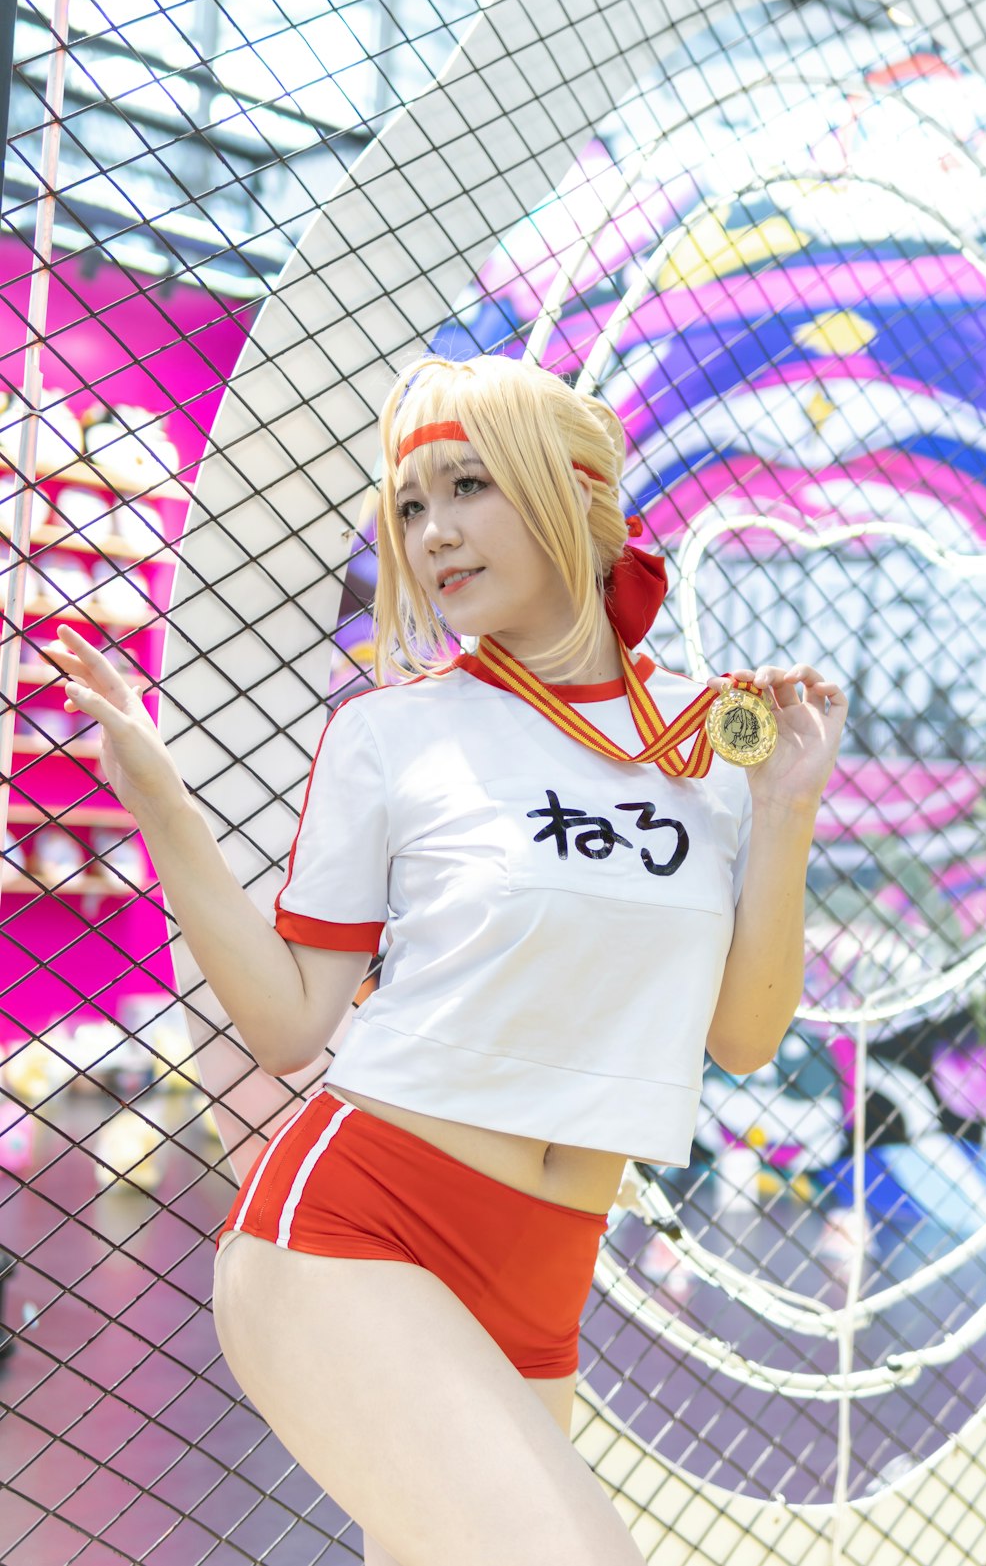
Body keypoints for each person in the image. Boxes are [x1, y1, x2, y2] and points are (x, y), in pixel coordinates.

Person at [47, 353, 847, 1566]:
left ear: (572, 500)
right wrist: (159, 803)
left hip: (546, 1277)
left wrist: (785, 808)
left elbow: (740, 1037)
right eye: (409, 504)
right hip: (356, 1233)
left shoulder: (708, 741)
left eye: (468, 486)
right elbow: (287, 1023)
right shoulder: (393, 732)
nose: (430, 532)